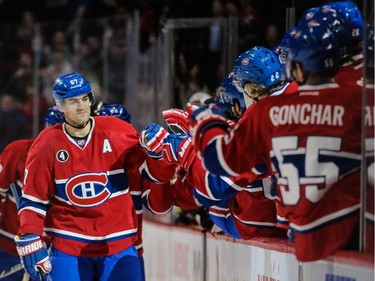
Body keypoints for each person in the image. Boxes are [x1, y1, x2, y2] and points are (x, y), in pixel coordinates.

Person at [190, 23, 366, 262]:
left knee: (215, 201)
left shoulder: (263, 114)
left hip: (301, 228)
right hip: (352, 219)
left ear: (251, 88)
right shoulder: (313, 92)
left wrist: (192, 144)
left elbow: (212, 188)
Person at [14, 72, 175, 281]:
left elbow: (153, 175)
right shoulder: (46, 144)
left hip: (118, 244)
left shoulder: (118, 131)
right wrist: (29, 234)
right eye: (73, 101)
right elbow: (33, 200)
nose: (81, 106)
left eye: (84, 98)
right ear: (61, 106)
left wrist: (158, 154)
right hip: (68, 246)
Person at [0, 107, 63, 281]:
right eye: (51, 127)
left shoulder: (79, 161)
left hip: (54, 252)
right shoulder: (18, 151)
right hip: (10, 246)